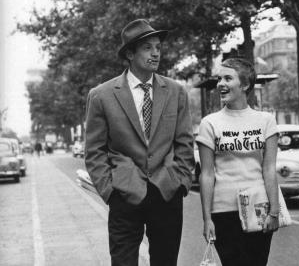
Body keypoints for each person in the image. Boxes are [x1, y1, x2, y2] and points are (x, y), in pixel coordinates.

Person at [84, 19, 195, 266]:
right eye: (147, 47)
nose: (156, 53)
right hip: (123, 194)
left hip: (167, 192)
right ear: (130, 54)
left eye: (158, 47)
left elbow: (185, 143)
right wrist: (109, 191)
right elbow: (94, 151)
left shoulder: (176, 92)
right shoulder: (101, 95)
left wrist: (181, 183)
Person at [196, 58, 279, 266]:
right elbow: (206, 174)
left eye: (227, 78)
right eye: (219, 79)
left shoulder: (266, 121)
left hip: (258, 208)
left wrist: (274, 211)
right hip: (223, 212)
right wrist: (207, 219)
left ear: (245, 85)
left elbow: (269, 168)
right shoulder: (210, 123)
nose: (220, 84)